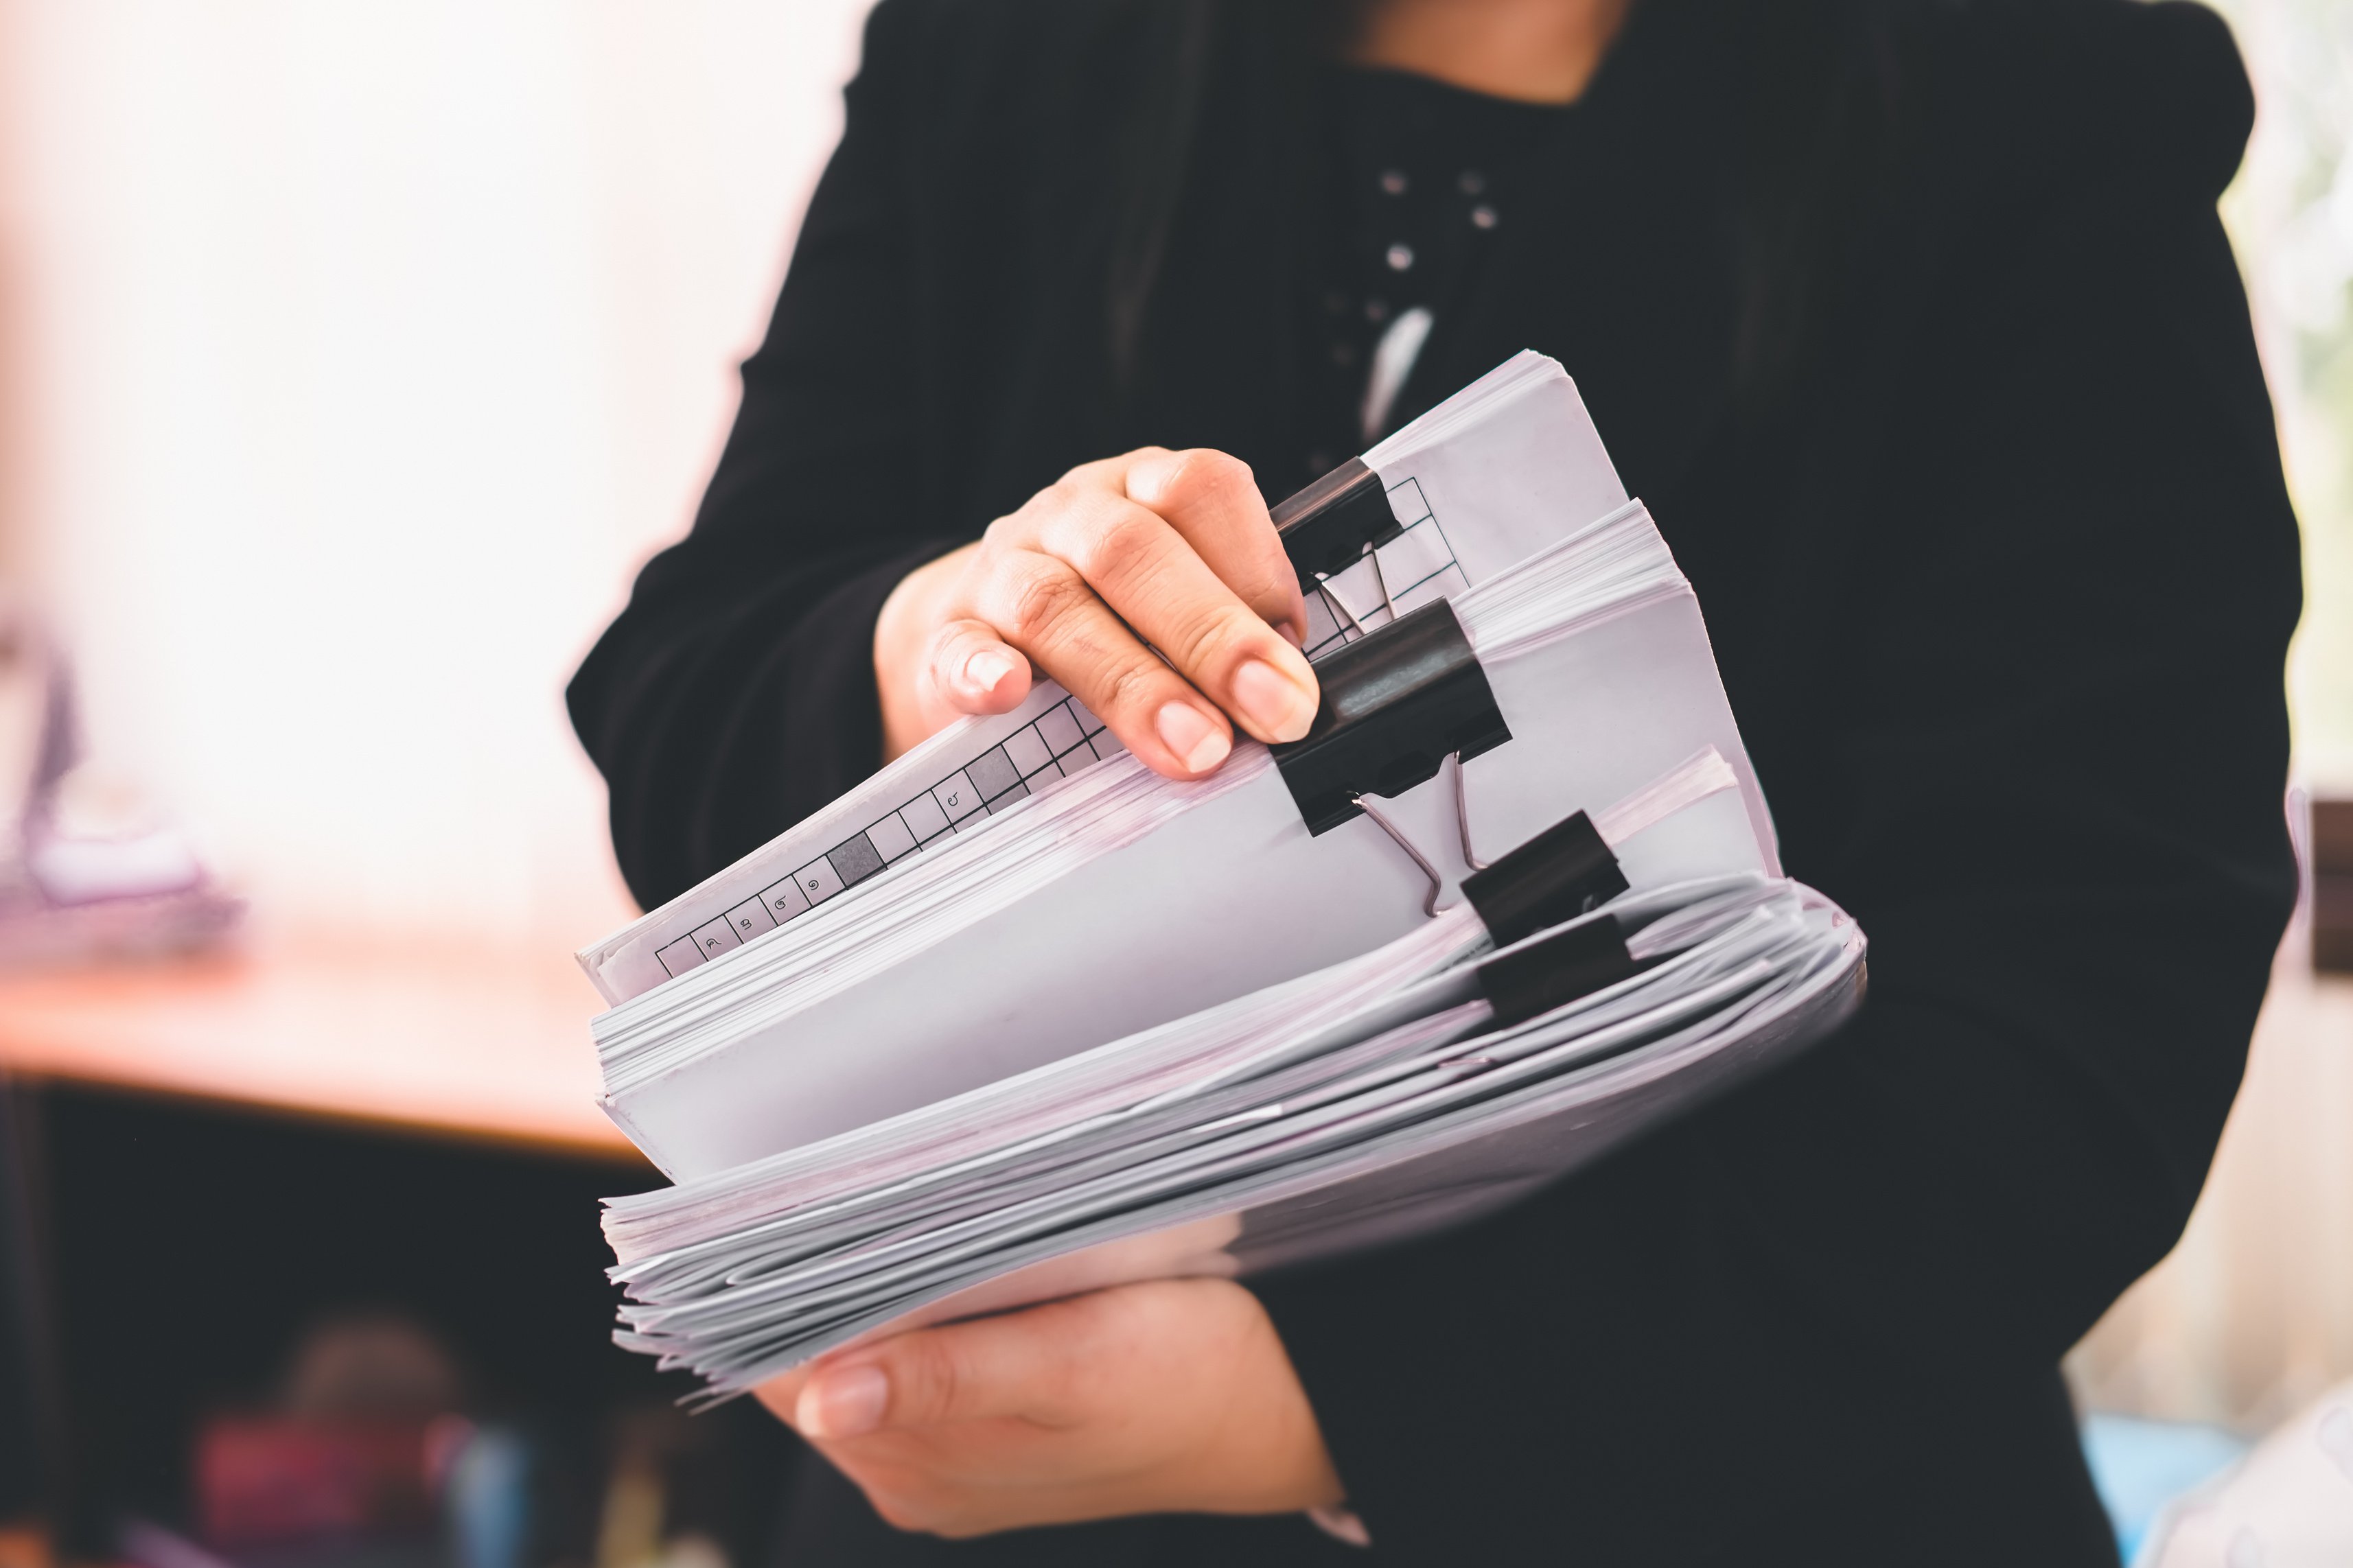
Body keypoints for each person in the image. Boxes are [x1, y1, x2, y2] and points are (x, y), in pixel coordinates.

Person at [566, 0, 2302, 1560]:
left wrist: (1304, 1409)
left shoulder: (2039, 83)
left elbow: (2086, 1010)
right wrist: (955, 638)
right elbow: (679, 698)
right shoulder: (1005, 42)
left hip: (1753, 1472)